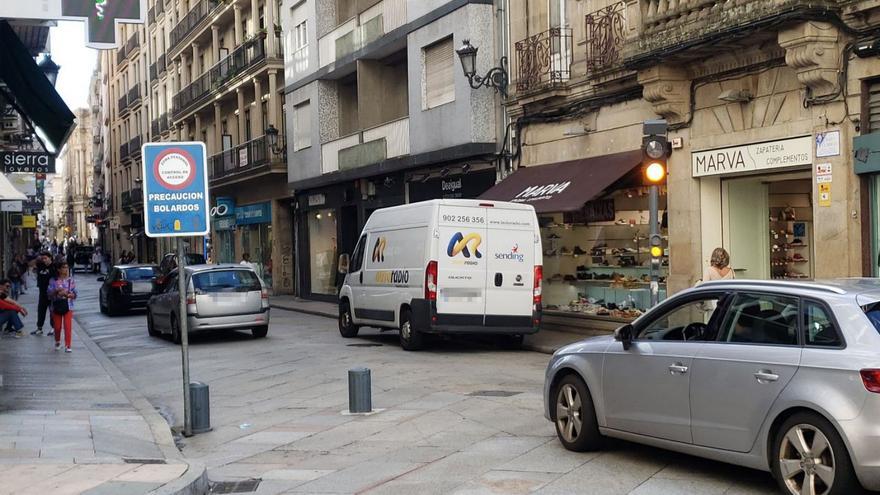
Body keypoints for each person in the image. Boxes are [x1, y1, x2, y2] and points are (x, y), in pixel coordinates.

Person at [48, 262, 77, 352]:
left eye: (67, 268)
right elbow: (49, 295)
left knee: (68, 326)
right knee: (57, 327)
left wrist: (67, 295)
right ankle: (57, 341)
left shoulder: (70, 280)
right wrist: (56, 291)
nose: (66, 270)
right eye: (64, 268)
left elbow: (75, 294)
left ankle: (68, 345)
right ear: (59, 269)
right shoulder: (53, 280)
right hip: (56, 306)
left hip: (68, 306)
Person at [31, 253, 55, 336]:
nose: (44, 260)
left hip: (51, 294)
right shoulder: (41, 265)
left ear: (50, 258)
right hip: (42, 293)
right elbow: (32, 262)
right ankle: (39, 328)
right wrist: (38, 258)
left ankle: (54, 328)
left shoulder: (54, 267)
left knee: (52, 311)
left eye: (45, 258)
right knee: (41, 311)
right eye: (43, 258)